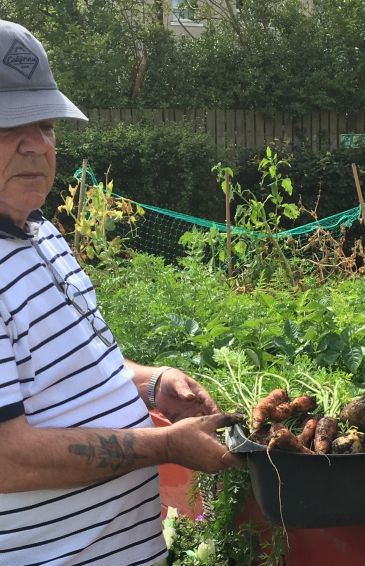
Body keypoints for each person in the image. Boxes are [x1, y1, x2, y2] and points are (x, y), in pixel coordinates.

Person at [0, 19, 242, 565]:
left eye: (44, 124)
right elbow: (8, 460)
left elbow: (71, 369)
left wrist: (150, 382)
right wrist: (165, 445)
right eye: (9, 126)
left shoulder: (41, 233)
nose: (37, 144)